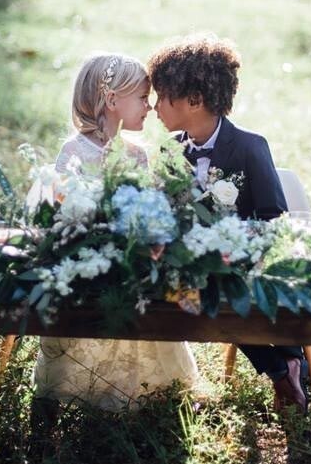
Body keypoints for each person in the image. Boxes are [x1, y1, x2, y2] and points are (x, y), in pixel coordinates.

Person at [147, 33, 309, 413]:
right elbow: (165, 210)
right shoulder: (172, 149)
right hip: (192, 266)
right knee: (187, 294)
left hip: (246, 260)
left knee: (223, 291)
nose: (154, 108)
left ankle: (286, 363)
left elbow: (273, 218)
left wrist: (235, 247)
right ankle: (283, 366)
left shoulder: (252, 147)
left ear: (194, 100)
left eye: (161, 97)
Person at [34, 52, 199, 410]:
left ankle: (140, 387)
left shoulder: (137, 155)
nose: (150, 105)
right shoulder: (74, 152)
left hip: (129, 268)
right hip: (87, 265)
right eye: (142, 97)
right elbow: (63, 216)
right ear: (111, 100)